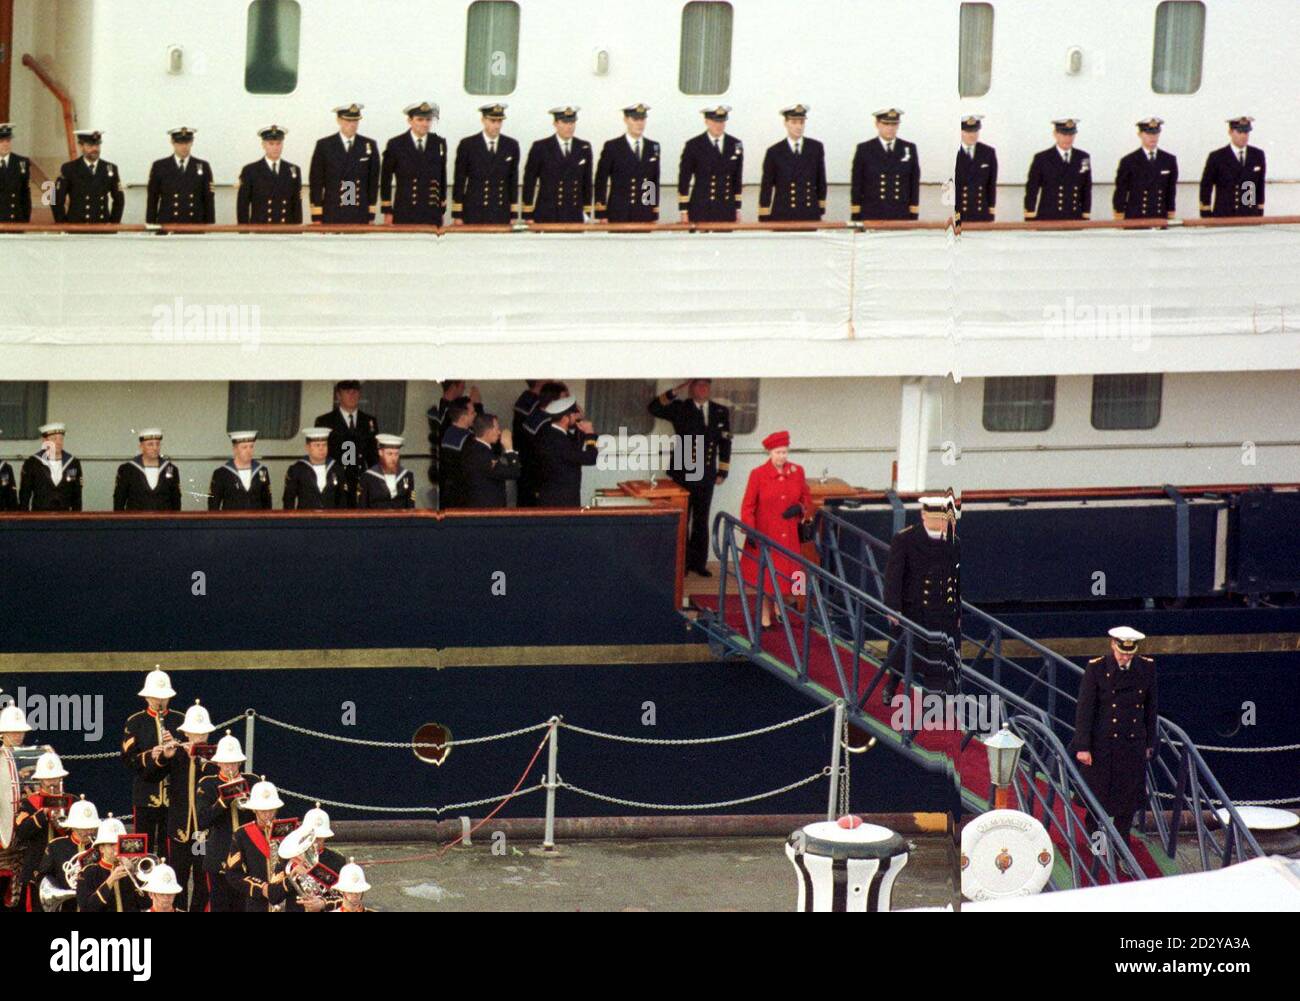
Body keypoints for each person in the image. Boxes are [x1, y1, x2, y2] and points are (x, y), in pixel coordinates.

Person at [1071, 626, 1158, 857]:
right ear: (1112, 645)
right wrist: (1083, 746)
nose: (1125, 657)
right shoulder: (1097, 668)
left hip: (1132, 745)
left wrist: (1150, 742)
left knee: (1127, 802)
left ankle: (1122, 849)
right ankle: (1097, 843)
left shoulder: (1146, 667)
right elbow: (1085, 709)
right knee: (1097, 799)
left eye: (1130, 654)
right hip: (1103, 746)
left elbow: (1150, 708)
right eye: (1122, 652)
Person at [878, 495, 962, 702]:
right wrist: (892, 607)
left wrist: (956, 611)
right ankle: (892, 684)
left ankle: (931, 701)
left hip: (938, 608)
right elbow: (893, 575)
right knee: (902, 652)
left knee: (937, 654)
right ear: (924, 515)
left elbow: (955, 578)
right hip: (911, 607)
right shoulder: (905, 539)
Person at [647, 380, 731, 576]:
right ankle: (681, 564)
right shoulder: (680, 407)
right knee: (682, 518)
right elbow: (653, 408)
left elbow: (725, 442)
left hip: (706, 471)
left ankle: (698, 563)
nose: (702, 389)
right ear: (691, 388)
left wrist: (722, 471)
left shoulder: (720, 411)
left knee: (701, 520)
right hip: (683, 470)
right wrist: (675, 391)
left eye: (705, 385)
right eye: (698, 385)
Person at [140, 699, 215, 913]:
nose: (199, 738)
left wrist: (207, 762)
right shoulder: (177, 753)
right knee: (177, 878)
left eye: (203, 734)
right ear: (186, 733)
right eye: (194, 733)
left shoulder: (216, 757)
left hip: (203, 834)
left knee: (203, 882)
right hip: (180, 831)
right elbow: (150, 776)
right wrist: (164, 757)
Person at [740, 430, 811, 628]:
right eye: (778, 452)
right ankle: (765, 615)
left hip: (789, 535)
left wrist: (801, 508)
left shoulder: (798, 471)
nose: (782, 456)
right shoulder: (758, 474)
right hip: (766, 534)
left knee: (790, 577)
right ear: (769, 453)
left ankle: (782, 608)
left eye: (785, 452)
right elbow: (748, 506)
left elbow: (806, 498)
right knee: (766, 578)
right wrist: (749, 530)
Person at [120, 668, 186, 863]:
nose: (160, 701)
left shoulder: (180, 720)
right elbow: (128, 758)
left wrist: (176, 746)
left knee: (170, 848)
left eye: (164, 697)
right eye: (156, 697)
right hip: (145, 793)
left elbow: (189, 758)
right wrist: (152, 755)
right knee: (142, 847)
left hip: (174, 795)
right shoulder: (135, 722)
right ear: (147, 697)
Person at [195, 731, 255, 912]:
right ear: (218, 762)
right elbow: (202, 820)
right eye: (226, 762)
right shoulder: (208, 784)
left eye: (234, 762)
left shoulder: (252, 781)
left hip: (248, 857)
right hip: (219, 855)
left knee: (244, 906)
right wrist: (223, 801)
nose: (230, 767)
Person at [12, 750, 75, 912]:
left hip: (65, 868)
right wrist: (43, 814)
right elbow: (21, 832)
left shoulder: (72, 801)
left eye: (55, 777)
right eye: (48, 778)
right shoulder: (28, 803)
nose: (52, 781)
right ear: (40, 780)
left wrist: (63, 823)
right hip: (37, 868)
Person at [225, 779, 290, 912]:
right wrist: (261, 888)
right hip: (257, 903)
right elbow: (233, 874)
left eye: (271, 810)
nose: (267, 815)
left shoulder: (289, 831)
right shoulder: (242, 834)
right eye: (262, 810)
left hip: (286, 901)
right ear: (254, 809)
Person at [309, 104, 379, 224]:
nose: (352, 124)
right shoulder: (325, 145)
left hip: (359, 211)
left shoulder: (368, 145)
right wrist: (317, 215)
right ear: (339, 120)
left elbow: (373, 181)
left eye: (356, 121)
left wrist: (371, 212)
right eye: (348, 120)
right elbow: (316, 182)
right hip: (332, 210)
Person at [316, 380, 380, 509]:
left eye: (355, 391)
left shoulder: (369, 421)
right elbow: (319, 456)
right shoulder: (325, 421)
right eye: (347, 391)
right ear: (338, 395)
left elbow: (373, 456)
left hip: (360, 482)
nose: (352, 395)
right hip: (334, 482)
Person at [452, 103, 520, 224]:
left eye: (500, 121)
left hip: (501, 209)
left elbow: (513, 180)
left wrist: (513, 213)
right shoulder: (468, 145)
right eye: (493, 121)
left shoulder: (511, 145)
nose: (497, 125)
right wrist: (457, 214)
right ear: (483, 120)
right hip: (474, 209)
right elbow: (460, 180)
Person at [523, 107, 594, 222]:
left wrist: (586, 211)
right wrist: (528, 214)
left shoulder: (583, 147)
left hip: (574, 212)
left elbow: (587, 182)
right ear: (555, 123)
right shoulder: (541, 147)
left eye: (572, 122)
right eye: (565, 122)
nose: (569, 126)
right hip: (547, 212)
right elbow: (529, 181)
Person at [382, 101, 447, 225]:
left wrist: (442, 208)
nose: (425, 124)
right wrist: (387, 210)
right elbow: (385, 179)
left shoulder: (438, 143)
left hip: (431, 211)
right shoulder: (396, 144)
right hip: (406, 210)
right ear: (410, 120)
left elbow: (442, 175)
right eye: (420, 119)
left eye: (428, 120)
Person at [759, 104, 826, 221]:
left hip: (809, 211)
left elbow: (821, 179)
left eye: (801, 122)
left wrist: (821, 205)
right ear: (785, 123)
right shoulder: (774, 151)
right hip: (783, 212)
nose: (798, 126)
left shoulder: (815, 147)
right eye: (794, 122)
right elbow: (767, 185)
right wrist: (764, 211)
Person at [595, 104, 660, 222]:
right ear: (626, 120)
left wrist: (653, 211)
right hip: (619, 211)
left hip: (643, 211)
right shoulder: (612, 147)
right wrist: (601, 212)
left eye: (642, 119)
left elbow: (652, 181)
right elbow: (601, 180)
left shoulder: (653, 146)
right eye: (635, 119)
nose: (640, 124)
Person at [851, 108, 919, 221]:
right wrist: (856, 214)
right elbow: (857, 185)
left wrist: (913, 212)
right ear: (877, 124)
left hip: (900, 214)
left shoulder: (908, 148)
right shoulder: (864, 149)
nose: (890, 128)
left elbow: (913, 183)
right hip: (872, 214)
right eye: (886, 123)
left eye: (894, 124)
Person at [35, 796, 100, 912]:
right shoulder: (57, 846)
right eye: (83, 828)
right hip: (67, 906)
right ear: (73, 827)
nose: (88, 831)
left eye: (91, 827)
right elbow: (44, 877)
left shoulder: (100, 847)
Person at [678, 106, 743, 222]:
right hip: (701, 207)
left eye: (722, 121)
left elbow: (737, 179)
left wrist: (737, 208)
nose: (719, 125)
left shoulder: (735, 144)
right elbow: (684, 179)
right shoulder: (694, 145)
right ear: (706, 121)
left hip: (726, 207)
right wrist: (683, 210)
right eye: (715, 121)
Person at [532, 397, 598, 507]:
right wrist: (590, 434)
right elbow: (590, 458)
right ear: (565, 418)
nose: (576, 416)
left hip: (556, 497)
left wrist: (582, 430)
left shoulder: (552, 433)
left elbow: (574, 448)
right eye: (573, 414)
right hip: (559, 500)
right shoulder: (558, 440)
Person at [1024, 118, 1091, 221]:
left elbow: (1086, 188)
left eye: (1071, 135)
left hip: (1074, 217)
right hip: (1048, 216)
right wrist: (1030, 214)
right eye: (1064, 135)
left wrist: (1086, 213)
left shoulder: (1083, 158)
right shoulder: (1042, 158)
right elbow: (1032, 189)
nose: (1068, 138)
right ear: (1055, 134)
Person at [145, 126, 215, 224]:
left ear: (192, 142)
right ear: (172, 142)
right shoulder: (160, 166)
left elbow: (208, 199)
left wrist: (209, 224)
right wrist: (150, 224)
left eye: (187, 142)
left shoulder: (202, 166)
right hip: (168, 223)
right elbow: (152, 198)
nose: (184, 146)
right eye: (180, 143)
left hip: (195, 224)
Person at [53, 129, 124, 223]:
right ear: (81, 146)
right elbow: (55, 199)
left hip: (102, 226)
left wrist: (114, 224)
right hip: (77, 226)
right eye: (90, 145)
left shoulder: (110, 168)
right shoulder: (69, 168)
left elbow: (119, 200)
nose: (95, 149)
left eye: (97, 145)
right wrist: (63, 224)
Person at [1199, 116, 1265, 217]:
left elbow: (1260, 185)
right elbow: (1206, 186)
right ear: (1230, 132)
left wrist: (1259, 212)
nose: (1243, 136)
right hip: (1224, 214)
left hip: (1249, 215)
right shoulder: (1217, 157)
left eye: (1246, 132)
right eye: (1239, 132)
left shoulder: (1257, 155)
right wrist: (1206, 214)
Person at [237, 125, 303, 224]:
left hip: (286, 230)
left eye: (278, 143)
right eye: (271, 144)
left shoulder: (293, 170)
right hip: (260, 229)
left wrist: (297, 230)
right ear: (263, 145)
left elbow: (296, 205)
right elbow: (243, 205)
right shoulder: (251, 170)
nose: (275, 148)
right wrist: (244, 232)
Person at [1113, 118, 1178, 220]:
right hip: (1136, 215)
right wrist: (1119, 213)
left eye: (1156, 134)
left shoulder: (1169, 160)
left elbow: (1171, 189)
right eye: (1148, 134)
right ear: (1140, 135)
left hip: (1159, 215)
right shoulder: (1129, 161)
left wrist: (1171, 211)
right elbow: (1121, 190)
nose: (1153, 137)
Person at [516, 381, 568, 507]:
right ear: (552, 401)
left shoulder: (535, 415)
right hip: (539, 482)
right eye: (563, 399)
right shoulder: (546, 423)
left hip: (527, 476)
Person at [77, 819, 144, 912]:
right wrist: (110, 880)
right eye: (112, 845)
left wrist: (133, 874)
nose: (117, 848)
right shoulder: (89, 872)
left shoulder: (129, 870)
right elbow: (86, 908)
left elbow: (146, 903)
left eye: (120, 844)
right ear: (101, 848)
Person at [19, 422, 82, 511]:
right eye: (54, 439)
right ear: (44, 441)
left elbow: (77, 495)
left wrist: (77, 519)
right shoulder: (32, 463)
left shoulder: (72, 463)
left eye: (61, 439)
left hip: (65, 517)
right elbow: (25, 494)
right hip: (39, 517)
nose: (58, 442)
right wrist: (23, 520)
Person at [114, 428, 181, 510]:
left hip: (164, 521)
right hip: (135, 521)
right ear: (141, 447)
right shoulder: (127, 469)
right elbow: (119, 499)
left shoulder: (170, 468)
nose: (155, 448)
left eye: (158, 444)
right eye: (150, 444)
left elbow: (176, 499)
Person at [463, 412, 521, 508]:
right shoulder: (483, 455)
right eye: (497, 429)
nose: (499, 432)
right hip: (487, 510)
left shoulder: (473, 447)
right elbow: (514, 473)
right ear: (488, 431)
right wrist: (509, 448)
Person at [284, 427, 347, 509]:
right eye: (317, 445)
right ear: (307, 447)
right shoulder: (297, 470)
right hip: (306, 519)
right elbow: (288, 499)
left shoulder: (336, 469)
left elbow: (342, 499)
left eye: (324, 445)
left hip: (331, 520)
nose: (321, 448)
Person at [208, 430, 273, 510]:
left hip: (256, 521)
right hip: (231, 521)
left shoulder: (261, 471)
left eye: (251, 446)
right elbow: (213, 504)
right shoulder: (221, 474)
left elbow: (267, 501)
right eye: (244, 447)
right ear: (235, 449)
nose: (249, 451)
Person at [954, 114, 997, 222]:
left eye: (975, 131)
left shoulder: (988, 153)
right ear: (960, 132)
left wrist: (991, 212)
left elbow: (991, 185)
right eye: (968, 132)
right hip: (959, 213)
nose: (972, 135)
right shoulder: (952, 153)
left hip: (981, 213)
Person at [438, 399, 477, 509]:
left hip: (447, 491)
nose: (475, 415)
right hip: (464, 495)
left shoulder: (446, 433)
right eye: (472, 412)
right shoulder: (468, 438)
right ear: (463, 417)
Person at [359, 434, 416, 508]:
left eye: (396, 454)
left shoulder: (407, 476)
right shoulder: (368, 477)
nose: (393, 458)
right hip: (376, 519)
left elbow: (411, 506)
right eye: (389, 454)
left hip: (401, 519)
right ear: (380, 453)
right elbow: (362, 508)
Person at [0, 123, 33, 223]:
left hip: (15, 219)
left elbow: (25, 193)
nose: (6, 144)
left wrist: (25, 219)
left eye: (8, 141)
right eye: (1, 141)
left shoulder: (21, 162)